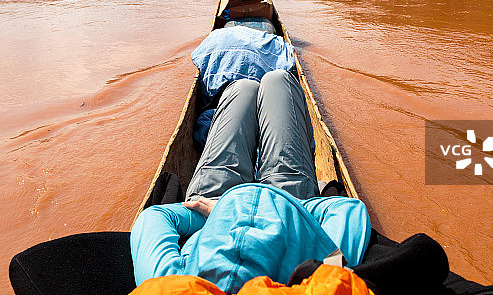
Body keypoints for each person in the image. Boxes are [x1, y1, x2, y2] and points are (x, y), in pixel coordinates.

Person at [130, 68, 372, 294]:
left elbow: (153, 217)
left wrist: (218, 213)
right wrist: (286, 213)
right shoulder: (320, 282)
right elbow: (347, 209)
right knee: (279, 79)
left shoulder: (169, 285)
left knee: (242, 88)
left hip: (211, 200)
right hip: (290, 197)